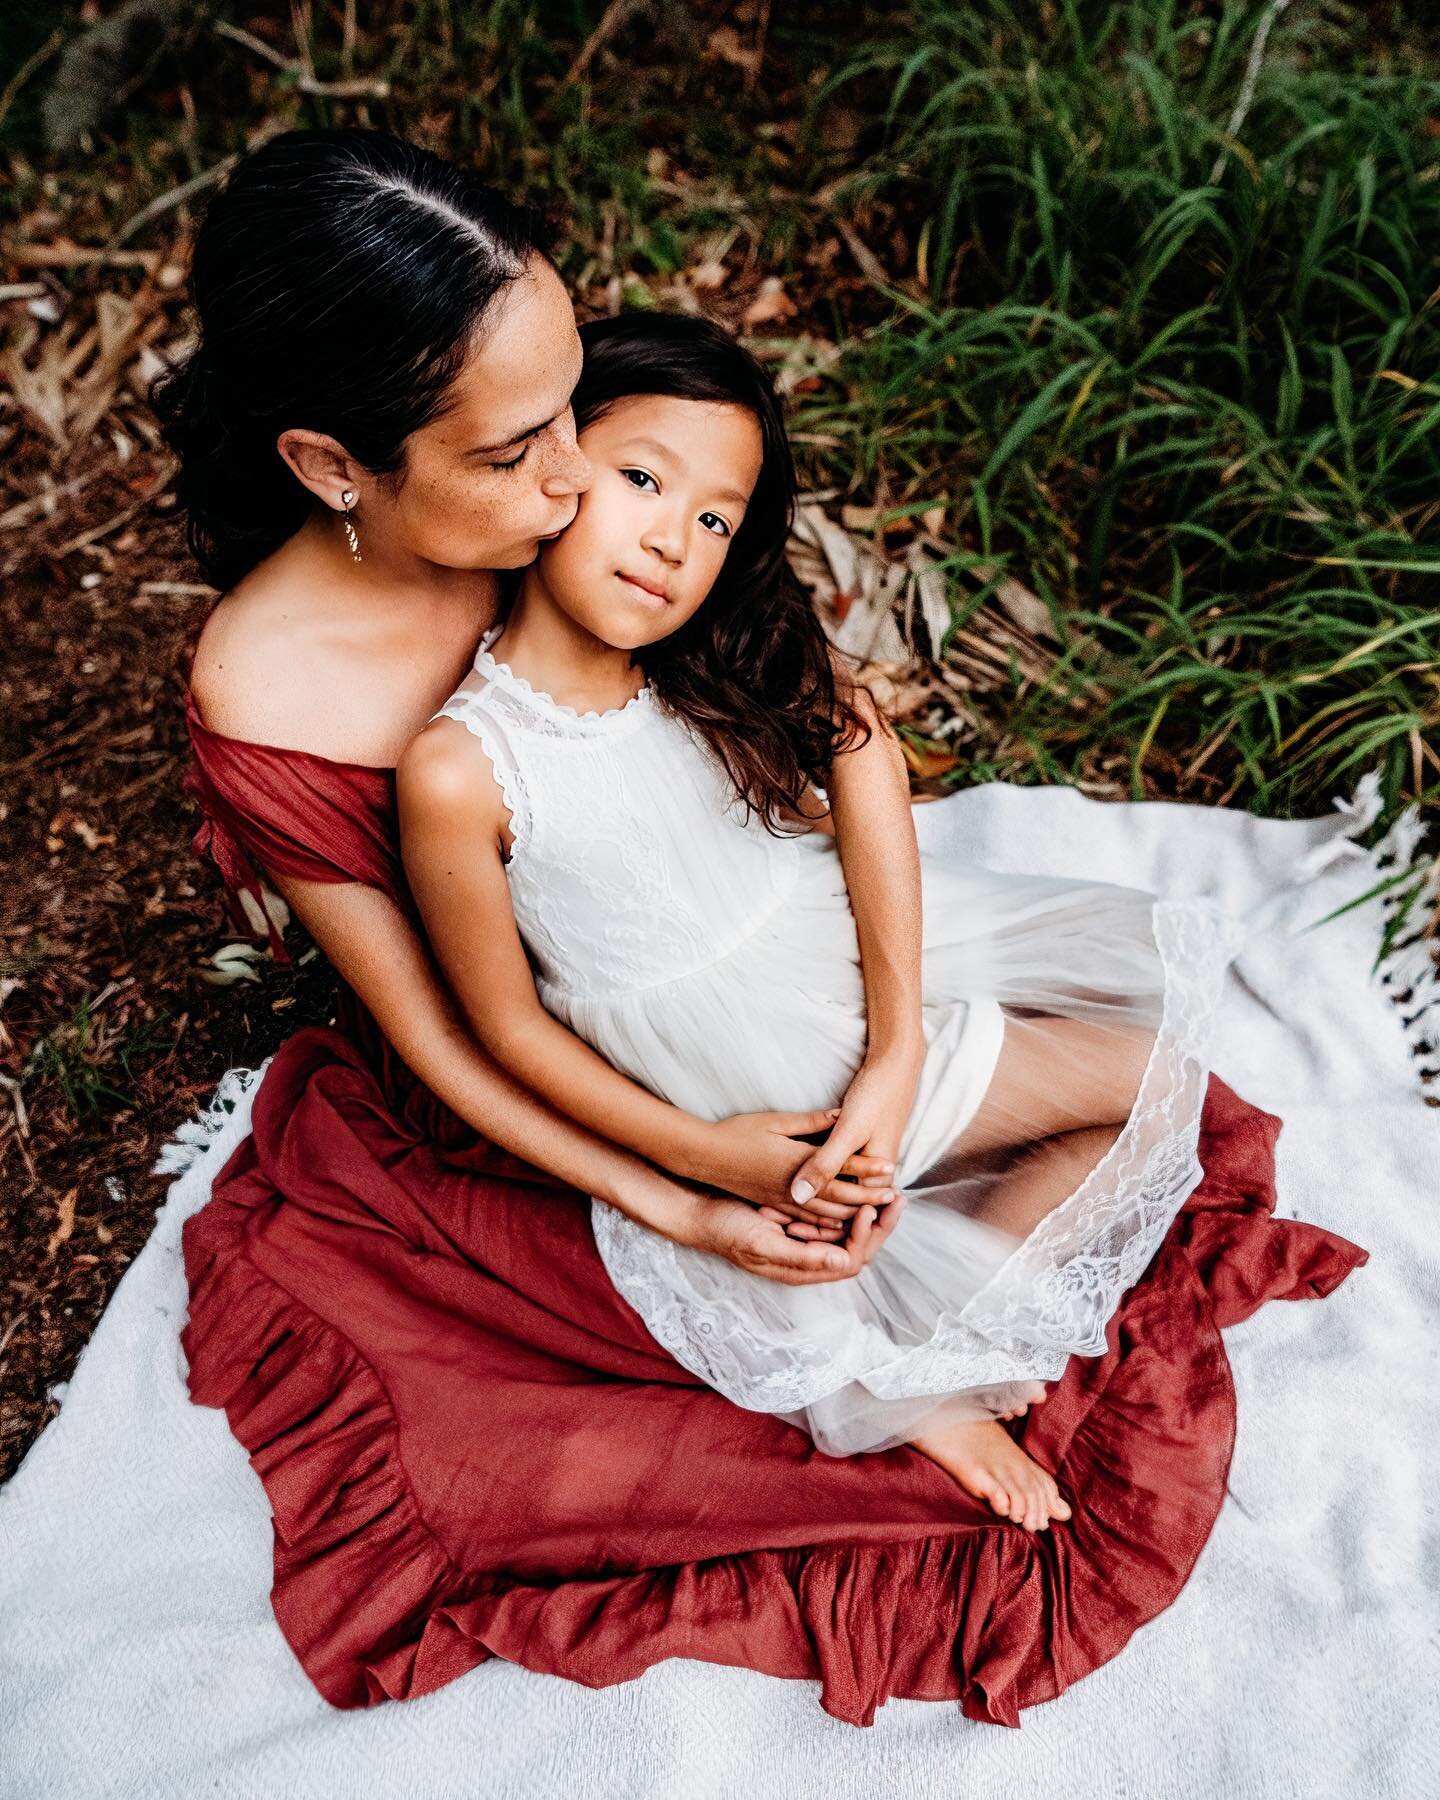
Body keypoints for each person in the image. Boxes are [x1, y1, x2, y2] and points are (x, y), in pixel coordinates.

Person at [160, 125, 1367, 1724]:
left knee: (1126, 1105)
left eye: (575, 411)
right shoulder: (307, 708)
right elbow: (461, 1040)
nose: (584, 482)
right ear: (333, 467)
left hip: (767, 950)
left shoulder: (598, 529)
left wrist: (880, 1013)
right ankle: (889, 1372)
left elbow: (819, 708)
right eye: (524, 453)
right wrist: (696, 1191)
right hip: (603, 1084)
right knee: (843, 1236)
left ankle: (916, 1269)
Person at [396, 313, 1251, 1533]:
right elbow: (508, 1033)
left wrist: (899, 1051)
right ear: (556, 470)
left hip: (846, 981)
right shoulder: (463, 768)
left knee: (1162, 1082)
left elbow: (864, 751)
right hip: (736, 1084)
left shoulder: (699, 657)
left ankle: (952, 1317)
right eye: (644, 479)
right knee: (896, 1219)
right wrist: (708, 1163)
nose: (673, 542)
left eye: (714, 520)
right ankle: (925, 1377)